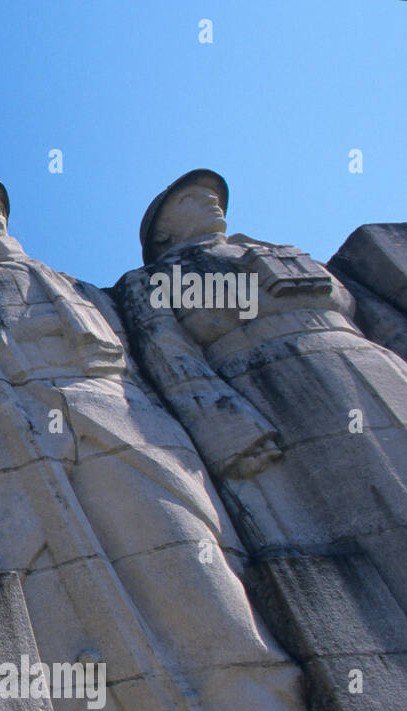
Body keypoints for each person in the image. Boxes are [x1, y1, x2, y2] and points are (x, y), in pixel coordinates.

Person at [0, 177, 341, 711]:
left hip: (126, 427)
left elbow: (158, 356)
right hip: (3, 450)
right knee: (69, 658)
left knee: (214, 611)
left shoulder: (89, 287)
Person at [115, 170, 407, 614]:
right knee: (372, 507)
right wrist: (226, 428)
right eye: (191, 199)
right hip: (270, 377)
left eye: (213, 196)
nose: (212, 202)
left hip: (368, 357)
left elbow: (374, 318)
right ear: (163, 233)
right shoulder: (156, 277)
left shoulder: (284, 253)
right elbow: (169, 353)